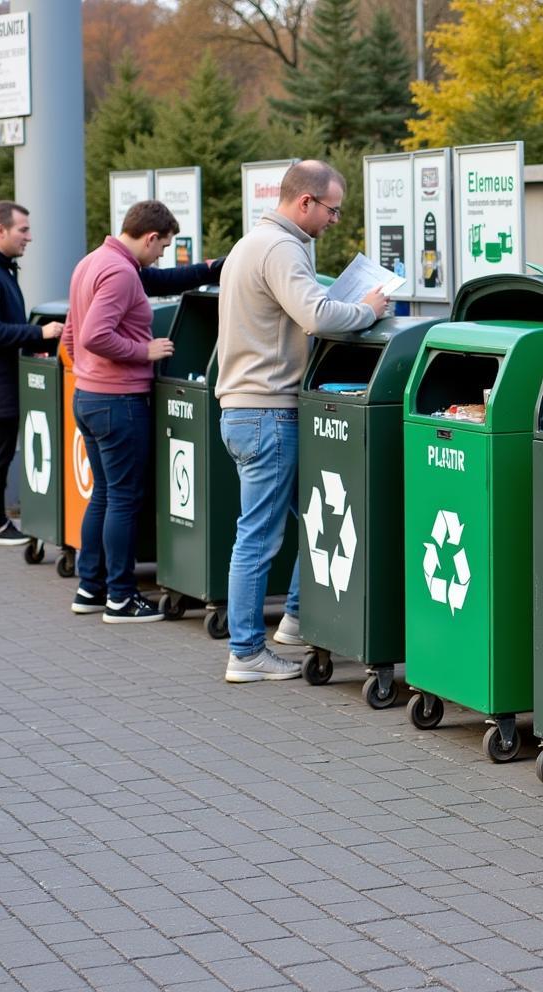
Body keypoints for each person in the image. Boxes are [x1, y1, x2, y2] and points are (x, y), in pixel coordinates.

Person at [216, 160, 386, 684]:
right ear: (305, 202)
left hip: (246, 411)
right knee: (258, 537)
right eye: (332, 209)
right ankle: (245, 651)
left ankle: (294, 618)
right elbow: (316, 316)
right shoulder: (282, 249)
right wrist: (369, 310)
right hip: (268, 412)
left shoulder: (251, 244)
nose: (335, 219)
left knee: (315, 519)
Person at [63, 200, 183, 623]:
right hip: (118, 402)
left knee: (105, 494)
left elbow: (72, 333)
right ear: (150, 237)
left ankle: (89, 587)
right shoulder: (119, 272)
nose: (161, 256)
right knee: (124, 500)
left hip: (89, 396)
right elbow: (95, 334)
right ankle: (120, 596)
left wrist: (86, 371)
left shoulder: (91, 261)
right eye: (163, 247)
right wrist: (143, 352)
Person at [0, 201, 64, 545]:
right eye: (22, 230)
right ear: (1, 231)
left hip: (8, 381)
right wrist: (39, 333)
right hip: (1, 386)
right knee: (1, 452)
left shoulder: (7, 269)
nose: (30, 237)